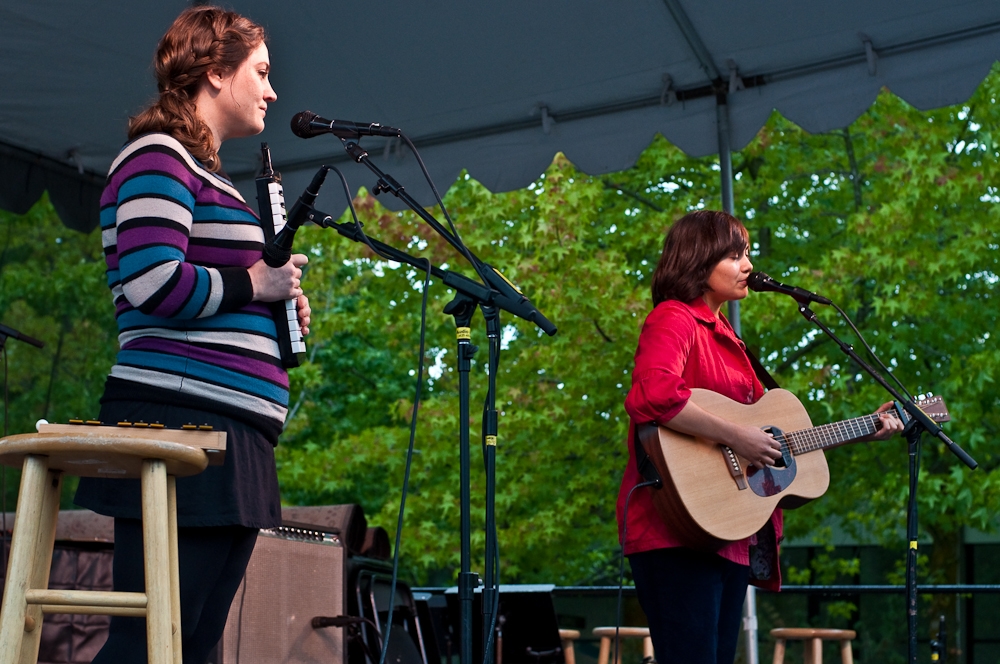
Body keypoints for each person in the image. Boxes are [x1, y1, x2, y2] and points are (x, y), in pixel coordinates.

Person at [74, 6, 310, 662]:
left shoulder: (211, 176)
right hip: (182, 424)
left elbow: (214, 281)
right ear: (215, 72)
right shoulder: (158, 154)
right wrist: (255, 287)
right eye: (260, 72)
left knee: (194, 644)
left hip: (233, 432)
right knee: (150, 643)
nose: (272, 90)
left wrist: (273, 309)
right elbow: (153, 283)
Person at [616, 210, 902, 664]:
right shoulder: (674, 318)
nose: (748, 265)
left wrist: (866, 430)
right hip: (676, 526)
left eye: (746, 253)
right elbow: (652, 395)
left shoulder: (730, 339)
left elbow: (776, 439)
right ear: (697, 260)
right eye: (735, 255)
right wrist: (738, 437)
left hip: (730, 531)